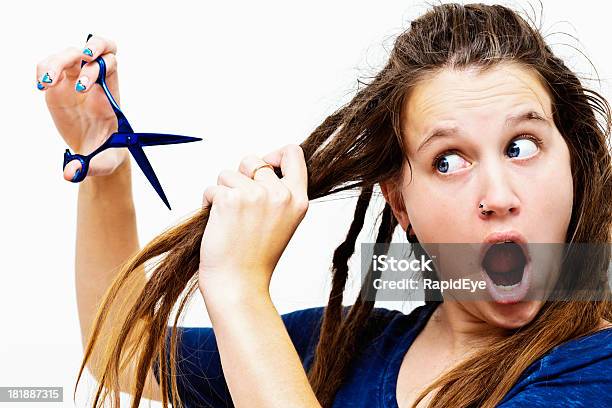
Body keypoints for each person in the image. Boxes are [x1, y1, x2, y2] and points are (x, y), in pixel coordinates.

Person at [36, 3, 612, 408]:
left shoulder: (595, 369)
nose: (499, 197)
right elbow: (125, 348)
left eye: (521, 147)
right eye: (448, 160)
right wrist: (104, 164)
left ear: (571, 163)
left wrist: (238, 289)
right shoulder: (341, 351)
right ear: (401, 203)